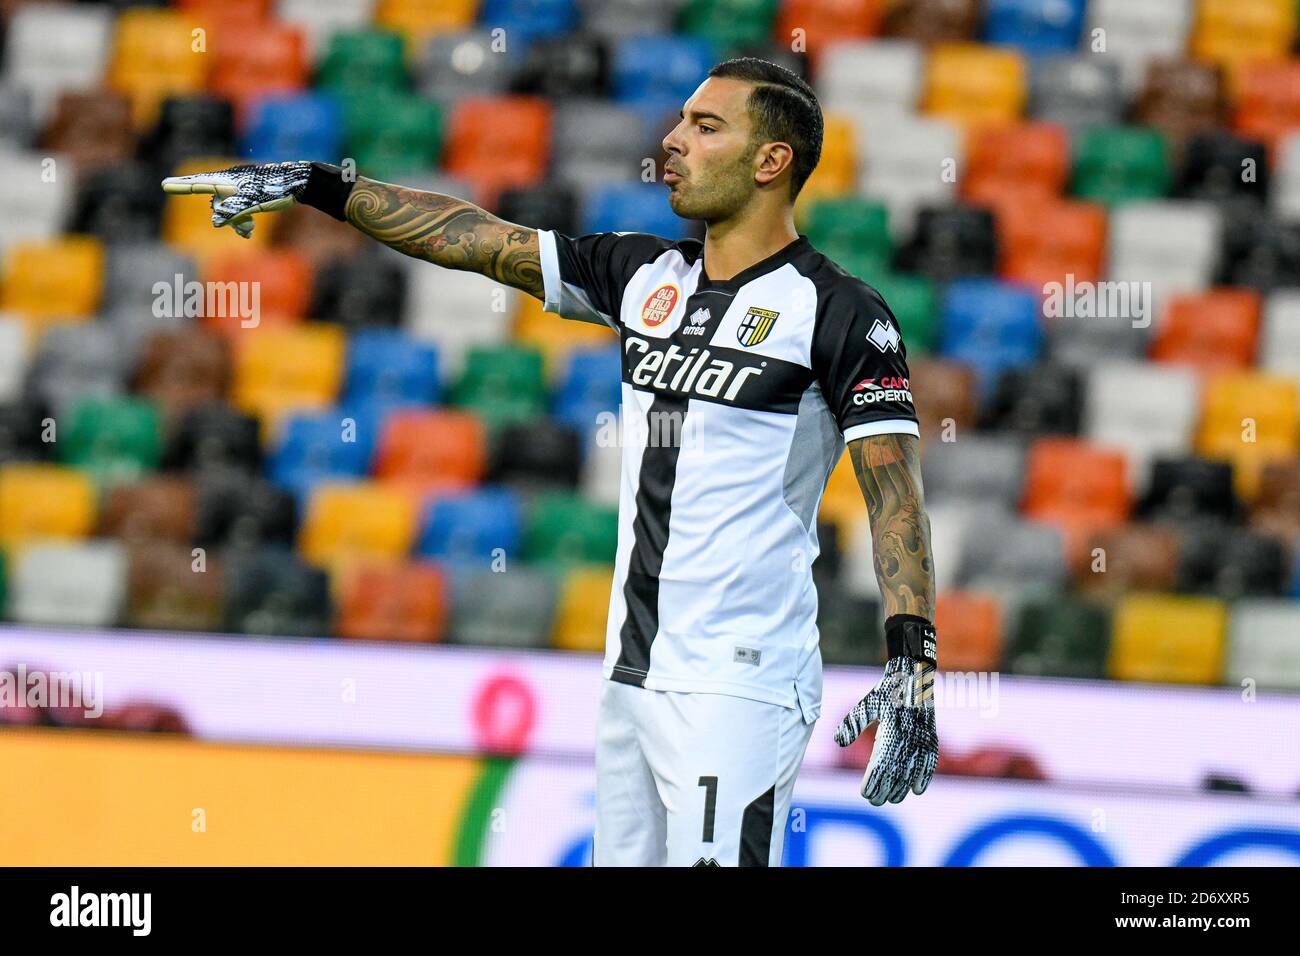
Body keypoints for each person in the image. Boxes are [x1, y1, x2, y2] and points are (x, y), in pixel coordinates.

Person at [163, 56, 939, 867]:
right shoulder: (644, 273)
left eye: (706, 127)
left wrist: (911, 655)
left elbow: (894, 490)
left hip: (736, 683)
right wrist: (321, 186)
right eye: (679, 120)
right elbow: (477, 241)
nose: (672, 140)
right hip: (628, 674)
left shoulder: (837, 310)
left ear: (771, 161)